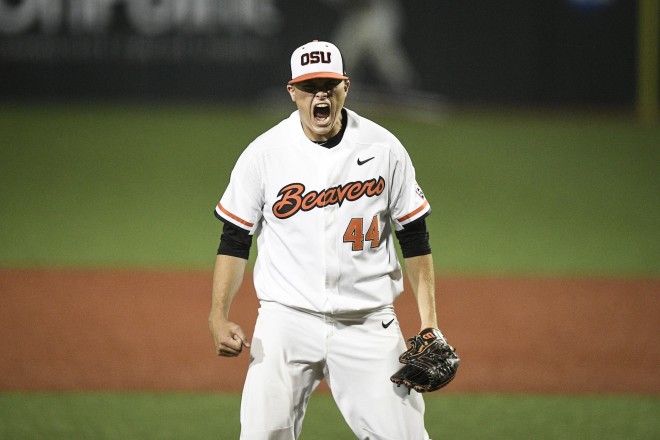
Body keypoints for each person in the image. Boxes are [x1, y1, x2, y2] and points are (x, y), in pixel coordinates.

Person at [209, 40, 441, 440]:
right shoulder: (264, 154)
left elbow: (414, 236)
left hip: (367, 323)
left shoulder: (384, 148)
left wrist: (429, 324)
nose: (320, 94)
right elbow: (235, 238)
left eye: (329, 85)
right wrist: (218, 313)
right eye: (310, 85)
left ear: (345, 87)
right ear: (293, 92)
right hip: (285, 322)